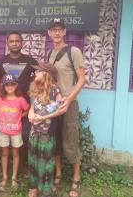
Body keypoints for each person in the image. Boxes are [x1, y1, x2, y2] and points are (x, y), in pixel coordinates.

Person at [0, 31, 37, 176]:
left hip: (24, 107)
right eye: (12, 41)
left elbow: (38, 80)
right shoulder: (1, 61)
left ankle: (21, 165)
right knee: (5, 136)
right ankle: (5, 162)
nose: (15, 43)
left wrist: (33, 94)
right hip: (6, 108)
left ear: (22, 43)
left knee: (24, 136)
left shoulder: (30, 61)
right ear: (7, 43)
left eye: (17, 41)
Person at [47, 18, 86, 197]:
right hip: (54, 104)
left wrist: (69, 99)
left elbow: (82, 79)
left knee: (70, 139)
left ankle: (76, 177)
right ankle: (58, 174)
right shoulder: (49, 54)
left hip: (69, 105)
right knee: (54, 140)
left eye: (59, 29)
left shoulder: (74, 51)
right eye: (53, 29)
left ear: (64, 32)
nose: (56, 33)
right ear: (49, 33)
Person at [27, 62, 66, 197]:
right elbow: (33, 106)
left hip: (47, 133)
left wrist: (44, 117)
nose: (35, 74)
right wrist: (30, 113)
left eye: (38, 71)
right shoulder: (38, 88)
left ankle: (45, 190)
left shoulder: (55, 90)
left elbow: (61, 109)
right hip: (34, 132)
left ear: (46, 74)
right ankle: (33, 187)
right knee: (33, 159)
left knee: (46, 162)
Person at [0, 74, 29, 191]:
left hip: (16, 131)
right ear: (3, 86)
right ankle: (4, 177)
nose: (9, 87)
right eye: (7, 85)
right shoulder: (1, 98)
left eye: (12, 84)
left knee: (15, 154)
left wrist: (20, 116)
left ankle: (13, 178)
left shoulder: (20, 99)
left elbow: (28, 110)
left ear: (16, 85)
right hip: (4, 131)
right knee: (4, 154)